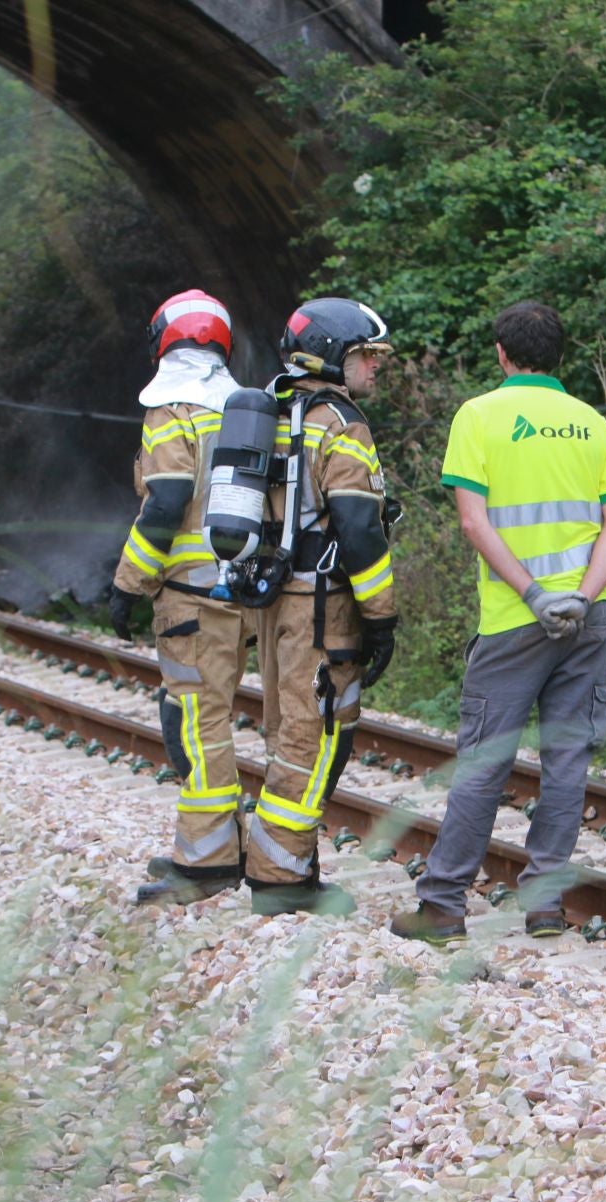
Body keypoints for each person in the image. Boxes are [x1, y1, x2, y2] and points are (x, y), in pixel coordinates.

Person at [390, 301, 606, 946]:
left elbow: (475, 522)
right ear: (560, 356)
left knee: (484, 761)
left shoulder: (479, 415)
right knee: (567, 759)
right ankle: (546, 904)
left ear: (502, 352)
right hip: (589, 618)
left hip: (512, 621)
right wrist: (580, 596)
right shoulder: (592, 424)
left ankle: (442, 906)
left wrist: (532, 595)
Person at [241, 297, 400, 916]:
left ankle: (289, 865)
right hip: (322, 608)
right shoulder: (341, 423)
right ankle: (281, 882)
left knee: (287, 731)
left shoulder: (274, 408)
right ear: (334, 355)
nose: (375, 367)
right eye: (367, 355)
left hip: (276, 601)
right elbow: (360, 529)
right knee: (317, 736)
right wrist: (381, 616)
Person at [110, 290, 254, 905]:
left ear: (162, 342)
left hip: (189, 597)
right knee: (210, 717)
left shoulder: (172, 409)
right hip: (242, 589)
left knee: (191, 722)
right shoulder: (245, 410)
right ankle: (220, 844)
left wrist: (127, 584)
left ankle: (205, 864)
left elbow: (165, 502)